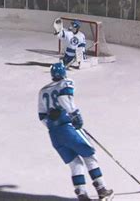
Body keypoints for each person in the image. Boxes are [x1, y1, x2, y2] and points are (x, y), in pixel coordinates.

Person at [38, 63, 113, 200]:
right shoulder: (66, 83)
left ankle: (81, 193)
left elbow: (42, 116)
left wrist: (54, 125)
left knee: (75, 163)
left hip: (54, 133)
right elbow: (64, 98)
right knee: (90, 155)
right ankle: (101, 189)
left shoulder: (43, 91)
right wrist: (74, 116)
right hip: (68, 127)